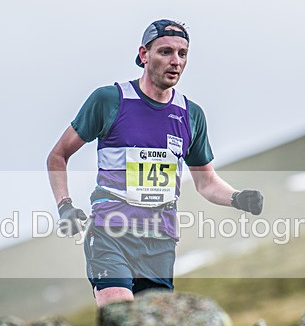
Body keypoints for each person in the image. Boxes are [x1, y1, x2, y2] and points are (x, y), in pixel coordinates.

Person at [47, 19, 263, 307]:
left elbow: (206, 182)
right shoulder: (110, 100)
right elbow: (58, 155)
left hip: (159, 242)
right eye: (165, 52)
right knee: (121, 313)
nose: (175, 61)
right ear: (144, 55)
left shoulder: (190, 115)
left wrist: (238, 198)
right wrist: (65, 205)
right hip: (111, 233)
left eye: (182, 54)